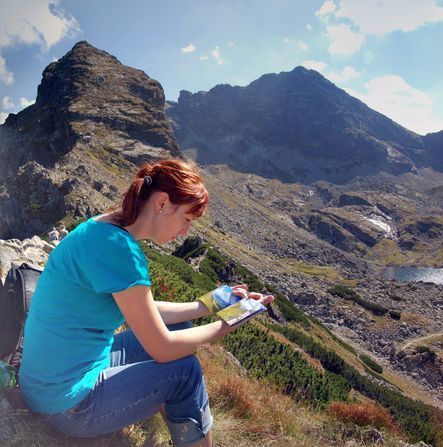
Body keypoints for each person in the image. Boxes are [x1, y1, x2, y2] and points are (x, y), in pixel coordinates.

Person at [19, 159, 274, 446]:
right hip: (66, 403)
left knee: (181, 327)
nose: (185, 232)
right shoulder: (121, 251)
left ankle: (173, 413)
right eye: (187, 219)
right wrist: (227, 323)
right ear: (163, 203)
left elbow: (144, 310)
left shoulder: (102, 228)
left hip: (49, 380)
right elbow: (162, 350)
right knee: (184, 372)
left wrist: (208, 304)